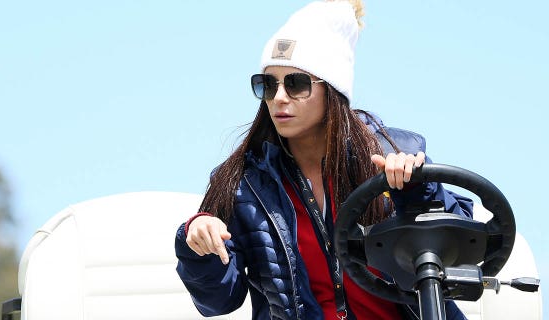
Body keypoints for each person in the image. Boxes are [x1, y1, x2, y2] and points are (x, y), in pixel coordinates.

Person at [175, 1, 473, 319]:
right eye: (267, 84)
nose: (279, 97)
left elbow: (461, 251)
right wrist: (196, 246)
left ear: (332, 90)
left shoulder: (393, 151)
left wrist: (416, 192)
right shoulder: (243, 182)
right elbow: (218, 302)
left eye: (296, 84)